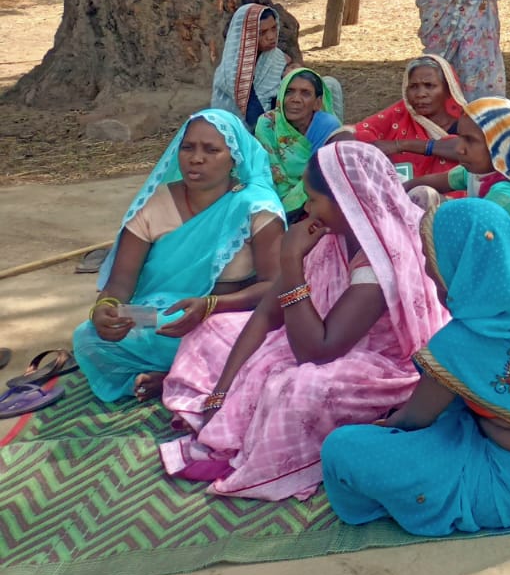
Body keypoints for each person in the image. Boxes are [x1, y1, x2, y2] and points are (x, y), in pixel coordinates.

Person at [157, 142, 448, 499]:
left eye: (313, 199)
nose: (307, 209)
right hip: (312, 332)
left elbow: (317, 352)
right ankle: (227, 410)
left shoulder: (381, 260)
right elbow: (268, 312)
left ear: (346, 199)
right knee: (211, 329)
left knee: (298, 388)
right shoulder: (331, 236)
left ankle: (266, 444)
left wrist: (291, 261)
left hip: (377, 362)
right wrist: (221, 392)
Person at [320, 198, 510, 537]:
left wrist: (380, 426)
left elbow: (413, 420)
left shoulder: (461, 344)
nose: (429, 270)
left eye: (433, 259)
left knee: (341, 450)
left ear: (465, 268)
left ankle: (403, 499)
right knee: (456, 398)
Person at [73, 111, 286, 402]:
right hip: (160, 315)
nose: (196, 158)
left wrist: (211, 305)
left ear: (234, 158)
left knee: (256, 343)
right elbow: (121, 281)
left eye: (211, 150)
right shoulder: (156, 203)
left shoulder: (255, 207)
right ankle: (187, 375)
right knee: (87, 337)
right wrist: (106, 308)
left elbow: (274, 285)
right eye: (188, 148)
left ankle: (170, 378)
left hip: (224, 318)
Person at [405, 96, 510, 272]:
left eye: (470, 140)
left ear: (500, 144)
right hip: (497, 262)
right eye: (460, 137)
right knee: (423, 194)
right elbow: (438, 181)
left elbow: (468, 231)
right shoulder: (480, 171)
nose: (459, 148)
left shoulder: (507, 195)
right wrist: (394, 189)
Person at [349, 54, 467, 181]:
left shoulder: (467, 122)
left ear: (449, 90)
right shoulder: (399, 114)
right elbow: (356, 132)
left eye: (429, 85)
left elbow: (467, 151)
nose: (420, 94)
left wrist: (401, 145)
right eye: (413, 86)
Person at [254, 66, 343, 218]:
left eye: (305, 93)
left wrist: (289, 207)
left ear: (317, 103)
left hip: (315, 197)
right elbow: (270, 170)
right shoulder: (268, 123)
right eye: (289, 91)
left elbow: (319, 174)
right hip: (273, 196)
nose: (295, 99)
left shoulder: (327, 126)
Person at [212, 3, 288, 130]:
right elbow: (254, 116)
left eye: (274, 28)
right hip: (237, 131)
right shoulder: (233, 69)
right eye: (262, 32)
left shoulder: (278, 58)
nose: (271, 37)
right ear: (246, 35)